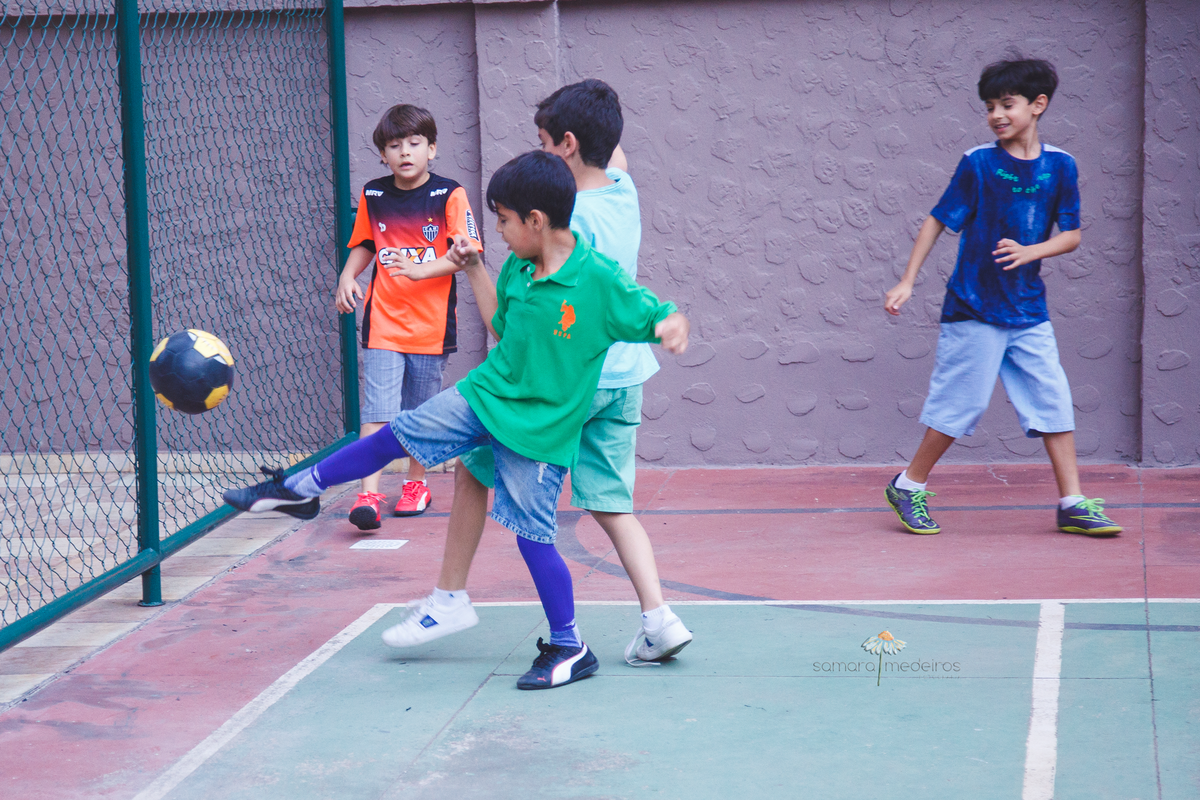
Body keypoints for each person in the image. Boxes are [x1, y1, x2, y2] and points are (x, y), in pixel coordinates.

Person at [224, 151, 691, 689]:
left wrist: (673, 325)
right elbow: (500, 326)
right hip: (485, 393)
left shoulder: (600, 282)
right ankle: (299, 488)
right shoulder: (519, 263)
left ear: (535, 221)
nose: (498, 232)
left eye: (503, 221)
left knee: (533, 539)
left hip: (539, 431)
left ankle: (570, 646)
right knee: (399, 433)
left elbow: (654, 313)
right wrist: (474, 268)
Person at [381, 79, 694, 667]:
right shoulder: (621, 189)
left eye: (545, 143)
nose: (539, 153)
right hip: (626, 379)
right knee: (610, 504)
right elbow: (612, 153)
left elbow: (525, 322)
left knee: (475, 465)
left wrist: (462, 270)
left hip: (569, 381)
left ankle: (450, 597)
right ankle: (659, 618)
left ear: (568, 146)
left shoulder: (569, 232)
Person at [883, 58, 1121, 537]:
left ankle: (1072, 503)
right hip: (973, 306)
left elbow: (1071, 234)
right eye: (989, 106)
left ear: (1038, 105)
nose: (996, 114)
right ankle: (909, 485)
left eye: (1006, 104)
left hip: (1028, 310)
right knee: (961, 405)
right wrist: (908, 280)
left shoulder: (1061, 166)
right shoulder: (979, 163)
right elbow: (937, 219)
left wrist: (1033, 249)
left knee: (1053, 400)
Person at [335, 104, 482, 530]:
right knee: (378, 412)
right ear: (383, 154)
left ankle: (416, 484)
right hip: (383, 322)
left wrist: (421, 269)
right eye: (394, 145)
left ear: (432, 149)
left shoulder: (449, 194)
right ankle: (368, 493)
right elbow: (364, 241)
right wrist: (347, 275)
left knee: (419, 412)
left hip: (432, 328)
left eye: (415, 143)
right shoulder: (374, 194)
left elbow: (467, 253)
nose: (405, 152)